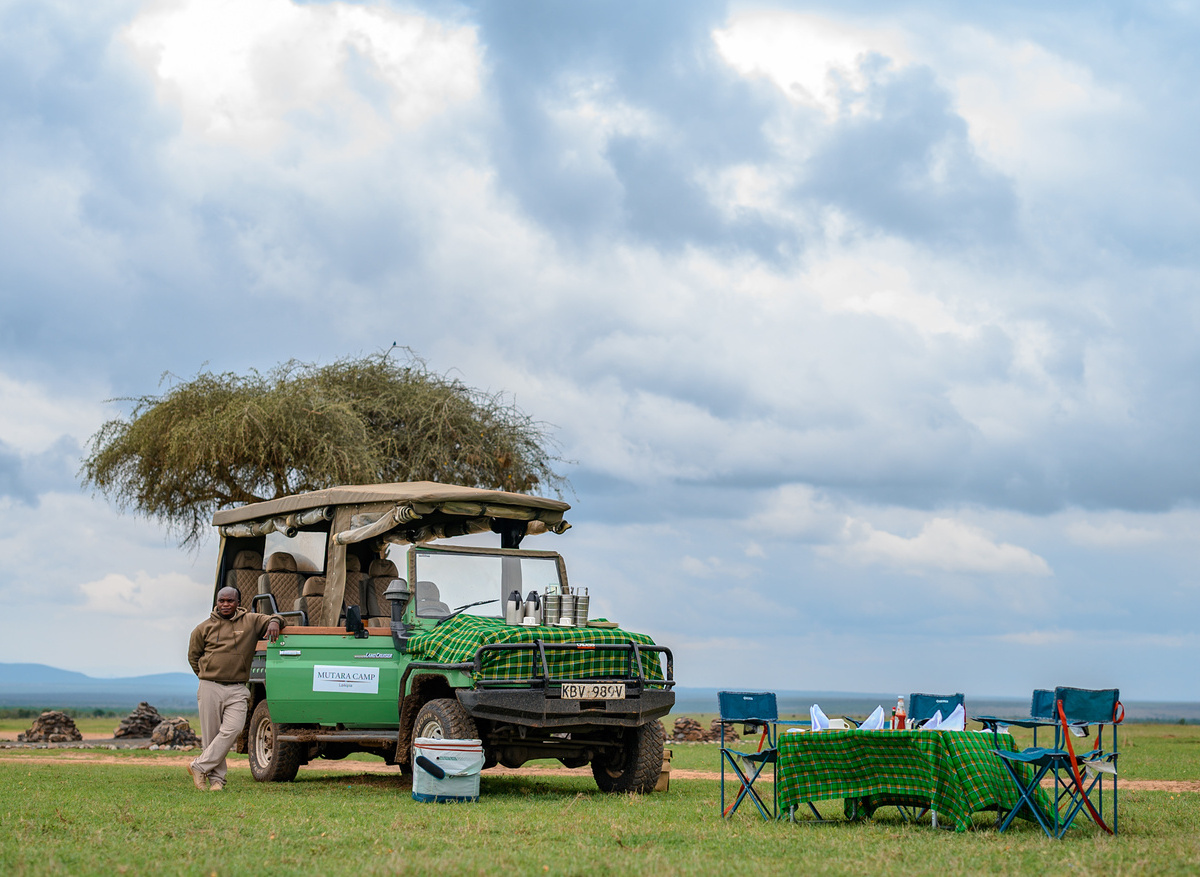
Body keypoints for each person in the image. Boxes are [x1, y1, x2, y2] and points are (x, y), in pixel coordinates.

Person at [186, 586, 284, 791]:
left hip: (238, 687)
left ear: (238, 602)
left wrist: (274, 622)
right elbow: (193, 657)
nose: (225, 604)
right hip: (210, 686)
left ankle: (199, 766)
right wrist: (207, 676)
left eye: (230, 601)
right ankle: (216, 781)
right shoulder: (203, 628)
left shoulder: (251, 621)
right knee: (212, 736)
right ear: (217, 602)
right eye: (222, 601)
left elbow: (275, 617)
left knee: (234, 729)